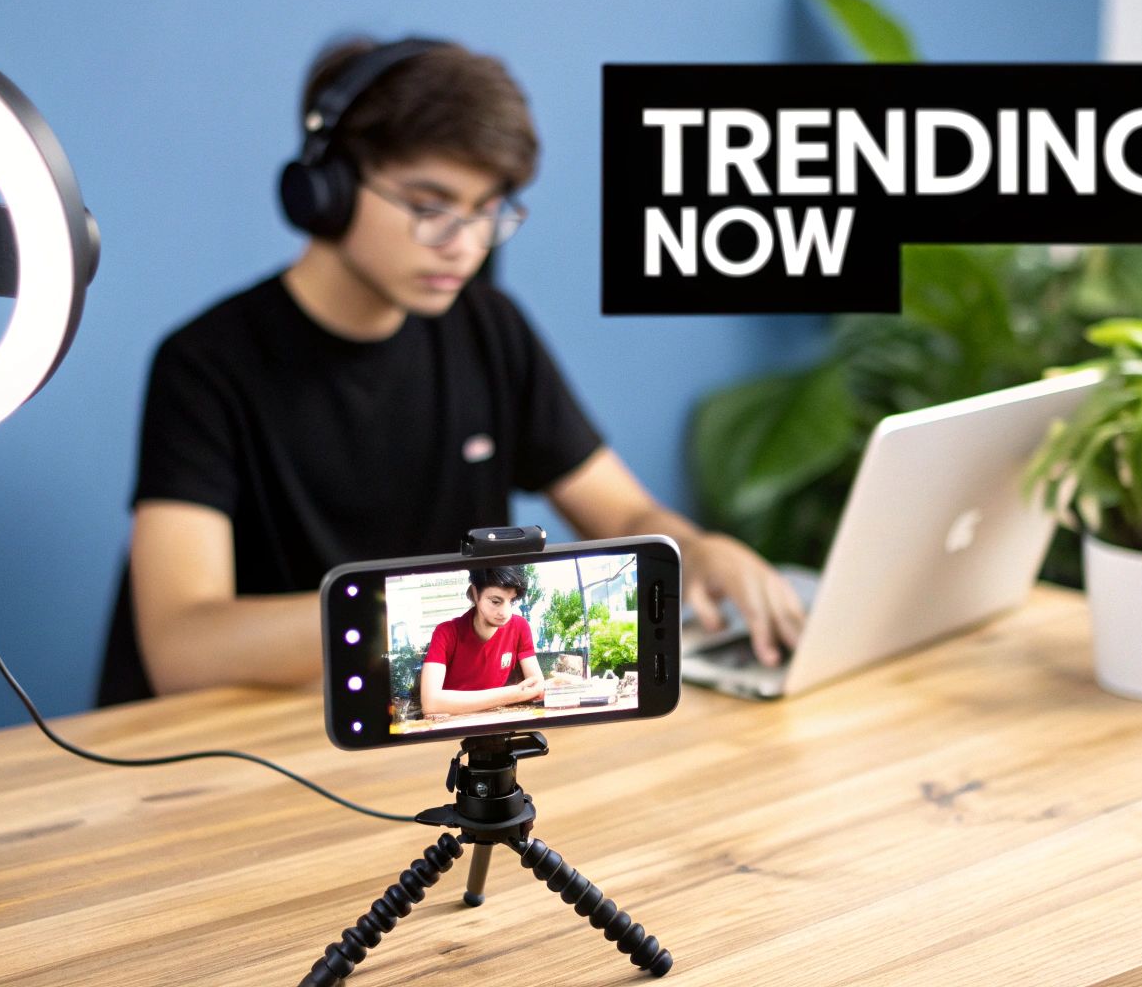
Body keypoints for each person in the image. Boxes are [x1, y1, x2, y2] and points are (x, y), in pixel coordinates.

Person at [96, 35, 806, 706]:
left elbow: (620, 512)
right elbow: (183, 645)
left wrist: (695, 548)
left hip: (432, 723)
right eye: (430, 207)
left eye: (487, 213)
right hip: (253, 753)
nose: (462, 246)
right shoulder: (207, 364)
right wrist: (434, 614)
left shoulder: (489, 329)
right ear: (327, 190)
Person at [418, 567, 545, 717]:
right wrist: (515, 694)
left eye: (511, 601)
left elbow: (537, 687)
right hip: (454, 729)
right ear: (474, 593)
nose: (505, 613)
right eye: (496, 601)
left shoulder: (519, 627)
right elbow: (431, 703)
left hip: (495, 722)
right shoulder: (446, 633)